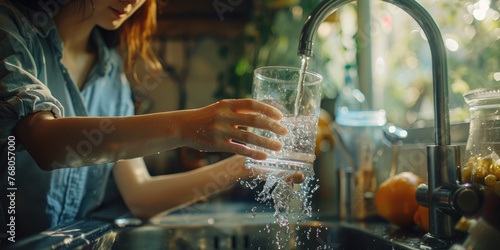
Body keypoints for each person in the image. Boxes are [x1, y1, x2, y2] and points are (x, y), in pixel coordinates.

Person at [0, 0, 303, 241]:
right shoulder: (10, 29)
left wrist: (244, 165)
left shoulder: (111, 73)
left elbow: (140, 195)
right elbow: (44, 143)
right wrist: (187, 126)